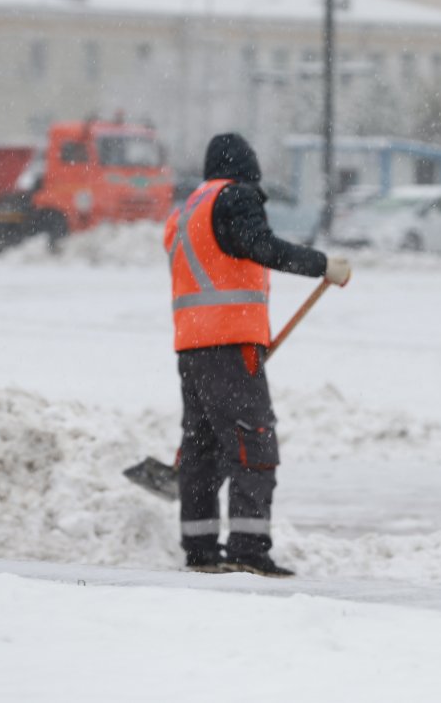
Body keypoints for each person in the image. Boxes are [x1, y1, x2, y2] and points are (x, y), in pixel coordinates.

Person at [165, 133, 351, 576]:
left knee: (203, 450)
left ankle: (200, 549)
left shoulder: (187, 209)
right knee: (253, 444)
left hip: (191, 347)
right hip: (230, 346)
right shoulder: (234, 198)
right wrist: (322, 265)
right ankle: (248, 549)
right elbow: (260, 246)